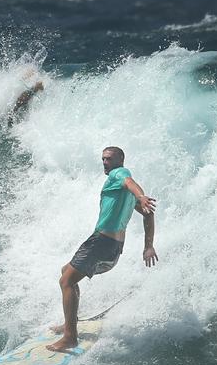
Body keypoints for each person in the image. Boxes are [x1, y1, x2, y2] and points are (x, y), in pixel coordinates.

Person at [47, 146, 158, 352]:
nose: (105, 163)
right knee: (67, 273)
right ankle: (71, 322)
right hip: (114, 249)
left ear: (120, 159)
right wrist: (148, 246)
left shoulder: (120, 174)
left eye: (109, 159)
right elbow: (148, 214)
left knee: (66, 281)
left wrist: (141, 195)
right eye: (103, 159)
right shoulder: (125, 194)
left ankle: (70, 337)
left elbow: (129, 182)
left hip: (101, 243)